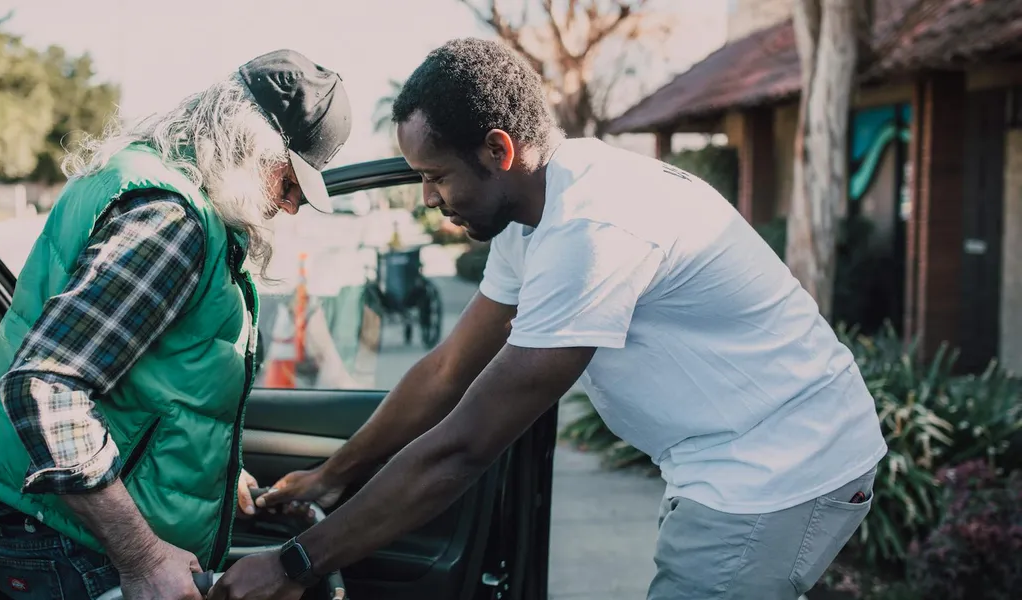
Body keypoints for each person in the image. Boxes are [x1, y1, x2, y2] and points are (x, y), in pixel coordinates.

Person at [211, 38, 888, 600]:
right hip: (731, 460)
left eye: (437, 175)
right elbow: (449, 369)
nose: (427, 198)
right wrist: (335, 473)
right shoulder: (533, 216)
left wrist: (296, 563)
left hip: (779, 469)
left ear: (499, 151)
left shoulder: (592, 228)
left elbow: (465, 447)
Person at [0, 49, 351, 600]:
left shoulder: (136, 178)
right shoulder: (170, 221)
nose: (290, 206)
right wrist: (142, 559)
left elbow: (140, 377)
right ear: (250, 145)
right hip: (74, 542)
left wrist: (207, 473)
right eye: (288, 181)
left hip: (52, 521)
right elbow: (47, 388)